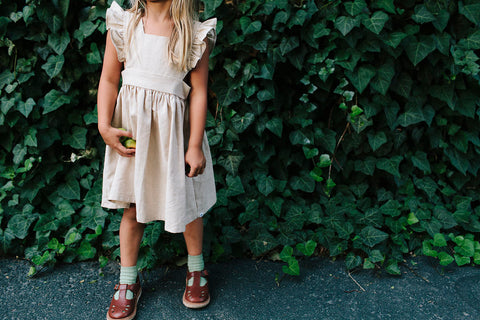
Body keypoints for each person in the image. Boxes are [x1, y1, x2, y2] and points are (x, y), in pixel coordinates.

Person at [97, 0, 217, 318]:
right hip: (135, 133)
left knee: (187, 202)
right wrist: (104, 126)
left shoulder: (193, 33)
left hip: (175, 135)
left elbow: (200, 91)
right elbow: (109, 79)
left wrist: (194, 145)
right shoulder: (124, 25)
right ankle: (127, 282)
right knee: (133, 207)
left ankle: (195, 270)